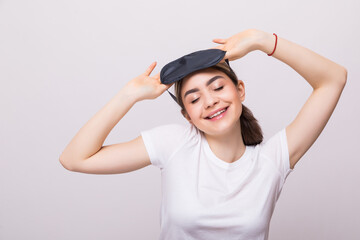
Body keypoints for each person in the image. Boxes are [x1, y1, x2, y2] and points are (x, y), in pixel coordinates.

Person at [59, 29, 347, 239]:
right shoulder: (174, 143)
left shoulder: (272, 160)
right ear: (188, 116)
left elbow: (333, 79)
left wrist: (262, 41)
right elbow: (75, 159)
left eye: (218, 87)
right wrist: (128, 96)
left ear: (240, 90)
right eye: (194, 99)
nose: (209, 101)